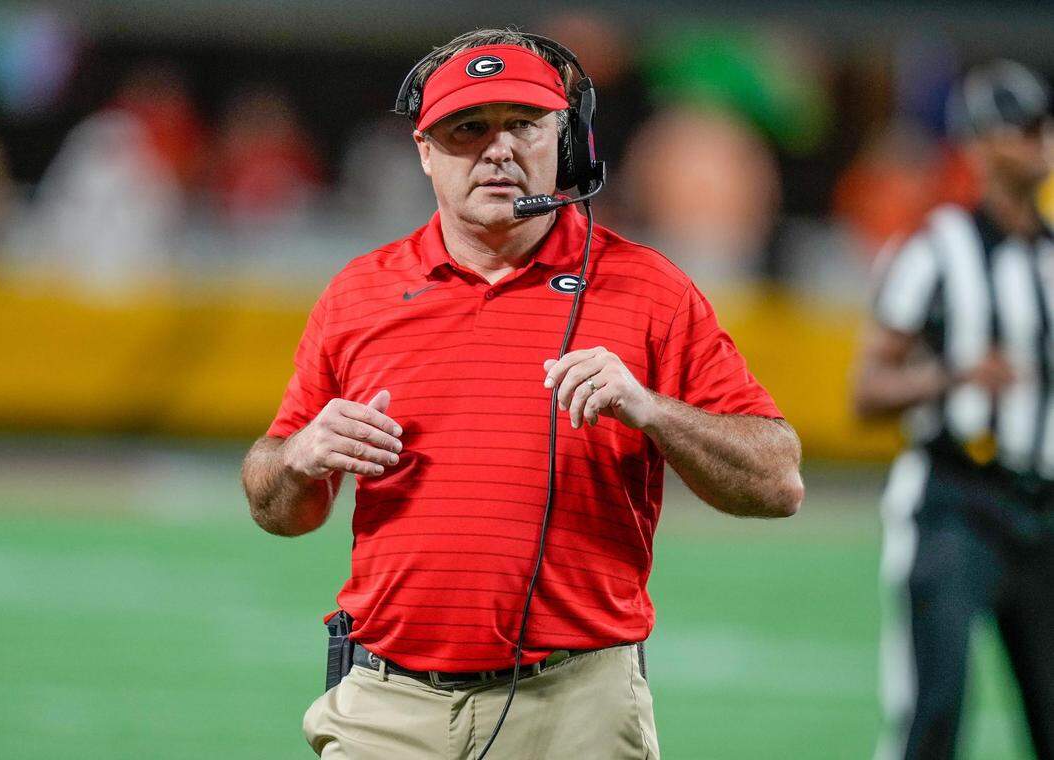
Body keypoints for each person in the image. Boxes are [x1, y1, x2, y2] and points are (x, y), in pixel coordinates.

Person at [242, 28, 803, 760]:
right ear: (425, 151)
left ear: (566, 143)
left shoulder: (648, 290)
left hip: (576, 707)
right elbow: (278, 509)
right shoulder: (360, 294)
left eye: (524, 125)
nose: (497, 149)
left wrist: (650, 408)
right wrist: (299, 457)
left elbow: (779, 481)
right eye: (468, 128)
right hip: (387, 707)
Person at [856, 60, 1054, 760]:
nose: (1039, 140)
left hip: (1046, 510)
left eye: (1042, 123)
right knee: (935, 713)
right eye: (1020, 125)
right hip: (956, 503)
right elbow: (867, 390)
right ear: (976, 143)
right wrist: (953, 377)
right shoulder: (936, 250)